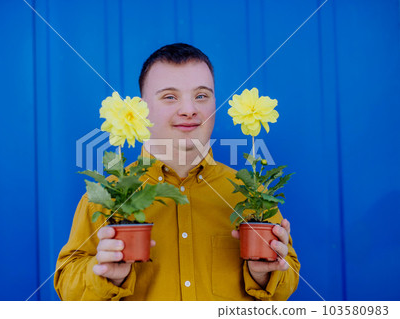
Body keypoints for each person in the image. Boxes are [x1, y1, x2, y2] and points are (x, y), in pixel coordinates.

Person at [54, 43, 300, 301]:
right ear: (140, 108)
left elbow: (289, 275)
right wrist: (102, 275)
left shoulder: (252, 195)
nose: (189, 109)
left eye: (202, 96)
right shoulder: (106, 196)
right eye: (170, 97)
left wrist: (264, 275)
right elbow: (65, 283)